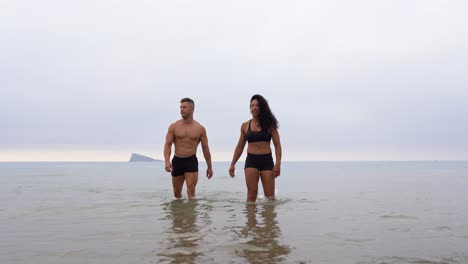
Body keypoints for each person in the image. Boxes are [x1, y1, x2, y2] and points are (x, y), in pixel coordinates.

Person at [229, 94, 282, 202]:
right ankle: (250, 219)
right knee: (251, 196)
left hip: (266, 161)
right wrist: (232, 164)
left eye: (257, 105)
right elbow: (240, 146)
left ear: (262, 107)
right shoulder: (245, 125)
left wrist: (277, 164)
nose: (254, 108)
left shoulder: (270, 125)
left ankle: (269, 219)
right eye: (252, 106)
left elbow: (277, 145)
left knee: (270, 198)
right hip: (251, 161)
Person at [164, 98, 213, 199]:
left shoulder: (200, 128)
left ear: (192, 109)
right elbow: (168, 144)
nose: (181, 109)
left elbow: (205, 149)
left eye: (184, 107)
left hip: (191, 160)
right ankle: (179, 214)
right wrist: (167, 161)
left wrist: (209, 167)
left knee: (191, 191)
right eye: (180, 107)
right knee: (177, 194)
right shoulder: (174, 126)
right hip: (177, 160)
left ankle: (191, 214)